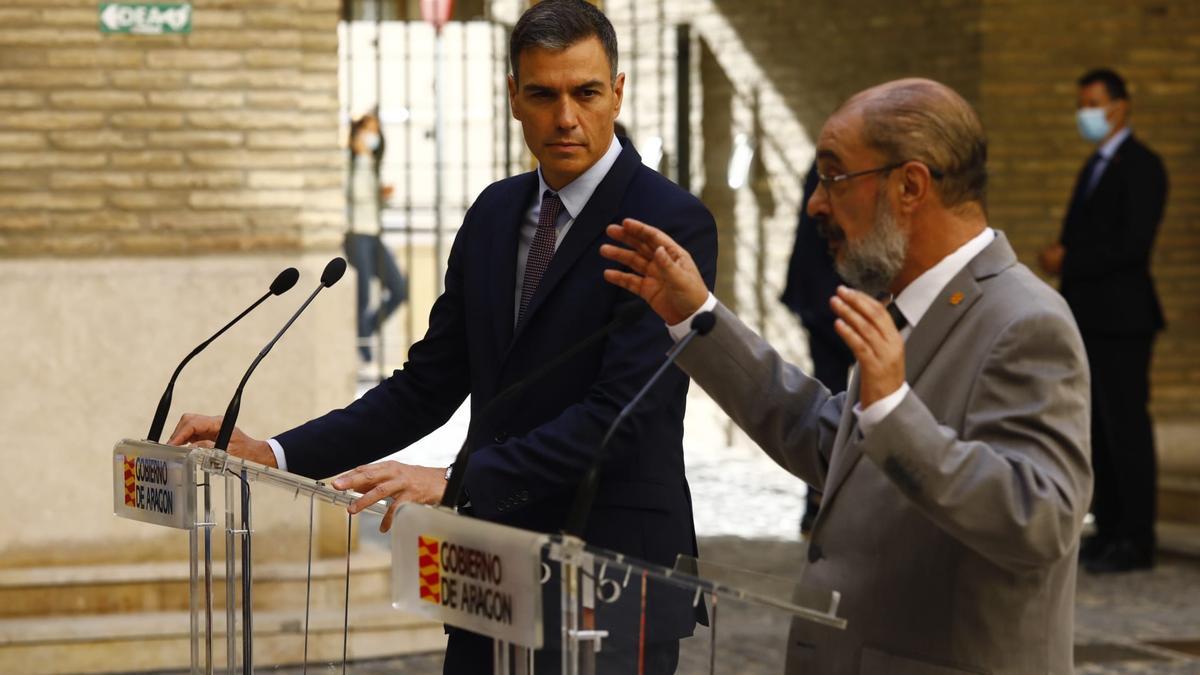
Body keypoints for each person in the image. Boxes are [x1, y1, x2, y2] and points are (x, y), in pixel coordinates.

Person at [169, 1, 717, 672]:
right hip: (487, 572)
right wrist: (277, 452)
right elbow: (426, 385)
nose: (565, 117)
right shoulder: (493, 214)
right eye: (543, 94)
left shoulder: (670, 221)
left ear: (618, 92)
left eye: (586, 93)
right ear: (513, 96)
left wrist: (457, 478)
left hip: (609, 571)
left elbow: (625, 415)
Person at [601, 79, 1092, 674]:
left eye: (833, 176)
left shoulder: (1025, 322)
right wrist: (697, 316)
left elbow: (1039, 520)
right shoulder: (905, 303)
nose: (815, 202)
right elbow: (830, 440)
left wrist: (892, 412)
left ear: (910, 185)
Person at [1039, 68, 1167, 574]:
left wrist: (1068, 260)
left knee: (1126, 427)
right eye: (1081, 104)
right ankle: (1110, 527)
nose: (1085, 114)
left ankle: (1137, 536)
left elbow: (1132, 244)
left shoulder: (1141, 166)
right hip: (1089, 317)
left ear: (1120, 106)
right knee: (1097, 429)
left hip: (1123, 319)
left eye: (1093, 103)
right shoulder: (1095, 165)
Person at [780, 161, 855, 535]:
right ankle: (820, 499)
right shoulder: (839, 167)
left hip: (832, 297)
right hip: (826, 299)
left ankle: (824, 499)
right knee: (831, 400)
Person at [346, 111, 408, 369]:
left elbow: (372, 201)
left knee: (399, 289)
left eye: (376, 130)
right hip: (356, 234)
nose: (373, 135)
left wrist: (383, 195)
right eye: (369, 129)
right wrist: (362, 159)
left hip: (373, 234)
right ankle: (361, 351)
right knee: (362, 296)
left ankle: (365, 331)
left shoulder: (370, 162)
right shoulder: (351, 162)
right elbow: (356, 195)